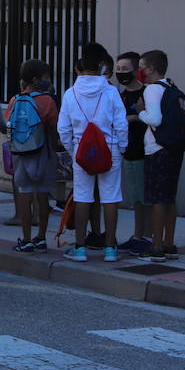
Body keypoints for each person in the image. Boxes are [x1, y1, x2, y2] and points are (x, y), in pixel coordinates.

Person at [57, 55, 129, 262]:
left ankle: (80, 247)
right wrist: (121, 147)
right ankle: (110, 248)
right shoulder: (110, 91)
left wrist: (73, 150)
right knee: (110, 197)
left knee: (82, 196)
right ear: (100, 67)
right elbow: (121, 123)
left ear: (78, 69)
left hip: (82, 149)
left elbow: (63, 129)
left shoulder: (70, 94)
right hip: (111, 148)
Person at [7, 60, 60, 252]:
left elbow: (8, 124)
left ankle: (27, 238)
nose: (49, 81)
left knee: (25, 194)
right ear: (37, 79)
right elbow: (54, 129)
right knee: (43, 195)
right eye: (46, 77)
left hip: (21, 155)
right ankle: (42, 236)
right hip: (42, 154)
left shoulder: (14, 100)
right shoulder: (47, 101)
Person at [138, 49, 184, 263]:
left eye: (141, 67)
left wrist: (140, 112)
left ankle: (156, 246)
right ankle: (169, 244)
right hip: (174, 148)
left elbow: (154, 119)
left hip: (157, 149)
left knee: (157, 199)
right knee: (169, 198)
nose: (139, 71)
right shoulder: (170, 86)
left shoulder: (152, 90)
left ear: (151, 69)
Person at [115, 52, 152, 254]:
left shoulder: (147, 93)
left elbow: (153, 119)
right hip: (127, 151)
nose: (121, 73)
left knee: (144, 197)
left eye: (125, 69)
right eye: (118, 69)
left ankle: (145, 236)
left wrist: (135, 117)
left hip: (143, 151)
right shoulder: (119, 95)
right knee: (135, 197)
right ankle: (138, 234)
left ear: (137, 70)